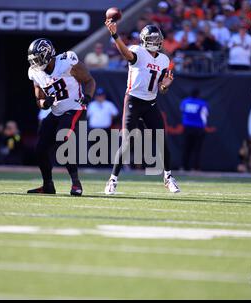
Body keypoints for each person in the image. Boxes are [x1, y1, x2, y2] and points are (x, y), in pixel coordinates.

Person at [103, 21, 180, 195]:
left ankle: (168, 178)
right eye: (154, 38)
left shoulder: (164, 60)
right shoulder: (138, 51)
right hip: (133, 100)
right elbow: (126, 53)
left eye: (158, 38)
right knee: (127, 140)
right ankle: (112, 180)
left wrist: (166, 86)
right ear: (145, 40)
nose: (158, 41)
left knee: (162, 141)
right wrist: (115, 35)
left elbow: (161, 89)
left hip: (151, 103)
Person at [27, 38, 96, 196]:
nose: (36, 63)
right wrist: (45, 103)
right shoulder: (34, 72)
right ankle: (48, 185)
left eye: (38, 59)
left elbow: (90, 80)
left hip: (75, 108)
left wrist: (88, 97)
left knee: (62, 139)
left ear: (48, 54)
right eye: (34, 60)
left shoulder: (66, 61)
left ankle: (76, 183)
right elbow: (39, 99)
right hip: (57, 112)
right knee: (40, 149)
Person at [180, 89, 209, 171]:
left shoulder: (185, 102)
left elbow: (182, 110)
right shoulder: (202, 103)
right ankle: (196, 167)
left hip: (187, 127)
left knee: (186, 148)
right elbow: (205, 115)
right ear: (198, 95)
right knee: (197, 149)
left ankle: (183, 166)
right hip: (198, 128)